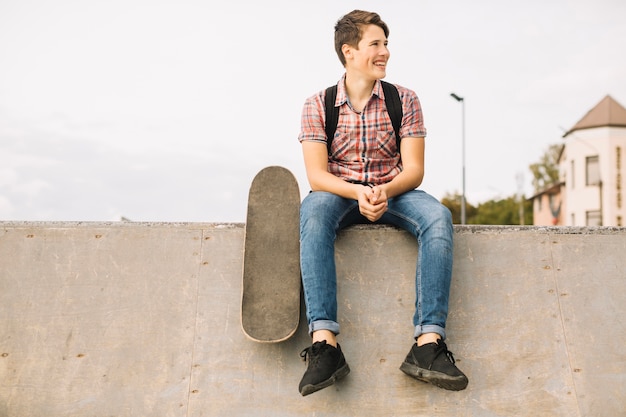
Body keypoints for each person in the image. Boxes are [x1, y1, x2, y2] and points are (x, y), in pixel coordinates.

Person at [296, 10, 468, 396]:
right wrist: (357, 192)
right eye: (375, 44)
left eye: (386, 44)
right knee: (312, 212)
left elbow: (415, 170)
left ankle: (427, 344)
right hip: (339, 192)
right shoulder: (316, 104)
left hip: (396, 189)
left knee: (438, 217)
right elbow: (317, 176)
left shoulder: (404, 99)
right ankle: (325, 344)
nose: (385, 52)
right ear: (349, 51)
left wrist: (382, 192)